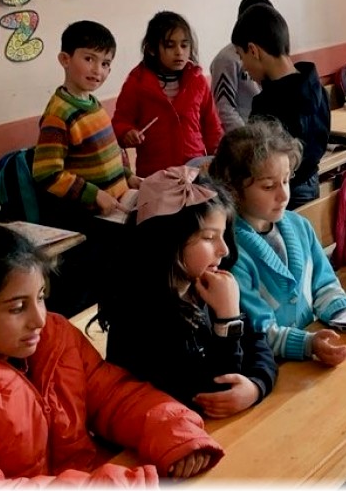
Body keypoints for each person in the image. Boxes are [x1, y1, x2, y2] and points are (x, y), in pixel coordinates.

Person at [0, 222, 224, 483]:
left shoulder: (50, 338)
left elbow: (114, 396)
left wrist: (178, 433)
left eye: (40, 297)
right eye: (16, 307)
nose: (39, 319)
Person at [99, 166, 277, 418]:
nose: (224, 249)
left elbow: (258, 344)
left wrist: (256, 387)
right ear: (167, 242)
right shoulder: (140, 315)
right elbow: (210, 397)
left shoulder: (201, 286)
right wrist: (227, 319)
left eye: (223, 235)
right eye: (208, 238)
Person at [208, 120, 346, 365]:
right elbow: (259, 332)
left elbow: (325, 286)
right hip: (271, 366)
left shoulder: (299, 226)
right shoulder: (231, 251)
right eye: (269, 186)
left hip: (312, 350)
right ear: (234, 189)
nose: (283, 195)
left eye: (286, 180)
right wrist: (307, 343)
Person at [31, 20, 138, 316]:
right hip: (87, 221)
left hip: (114, 211)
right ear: (65, 59)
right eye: (89, 59)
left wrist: (130, 178)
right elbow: (47, 173)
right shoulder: (59, 113)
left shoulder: (92, 103)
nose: (98, 70)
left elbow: (111, 154)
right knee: (83, 292)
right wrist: (95, 196)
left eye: (105, 63)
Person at [232, 4, 330, 208]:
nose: (243, 66)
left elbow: (257, 163)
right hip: (312, 184)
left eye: (242, 56)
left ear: (253, 50)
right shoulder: (316, 87)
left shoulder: (267, 104)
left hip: (280, 196)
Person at [113, 11, 223, 178]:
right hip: (156, 174)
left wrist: (219, 158)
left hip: (196, 171)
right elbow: (120, 122)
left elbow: (212, 126)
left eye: (184, 45)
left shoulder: (197, 81)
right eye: (170, 46)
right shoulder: (137, 84)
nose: (179, 52)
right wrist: (127, 133)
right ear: (151, 49)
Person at [210, 0, 270, 132]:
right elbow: (225, 109)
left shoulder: (270, 53)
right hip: (246, 139)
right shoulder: (226, 59)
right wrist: (247, 140)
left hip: (269, 136)